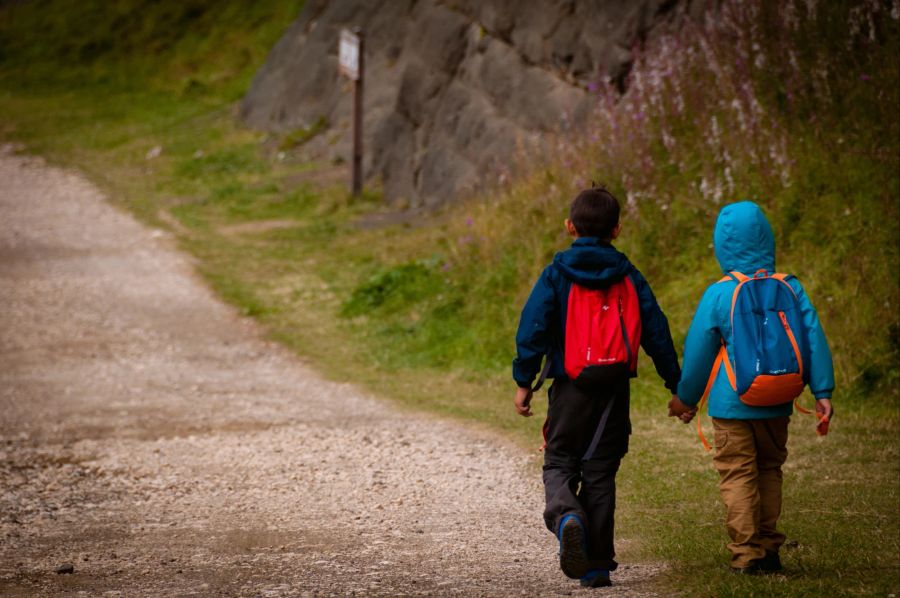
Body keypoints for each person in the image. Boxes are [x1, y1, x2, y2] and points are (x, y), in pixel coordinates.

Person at [512, 187, 681, 588]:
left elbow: (532, 327)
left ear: (569, 226)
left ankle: (568, 515)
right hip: (614, 389)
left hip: (570, 386)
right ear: (617, 229)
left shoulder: (556, 274)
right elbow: (656, 331)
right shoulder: (628, 274)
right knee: (601, 472)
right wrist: (676, 385)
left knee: (559, 462)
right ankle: (597, 565)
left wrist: (524, 382)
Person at [668, 200, 834, 574]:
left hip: (732, 406)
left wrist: (685, 399)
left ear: (722, 245)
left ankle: (747, 554)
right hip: (778, 401)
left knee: (738, 473)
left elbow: (698, 353)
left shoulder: (720, 293)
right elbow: (813, 338)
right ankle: (770, 546)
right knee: (769, 469)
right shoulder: (791, 286)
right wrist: (822, 391)